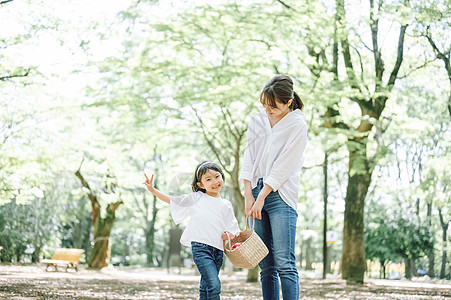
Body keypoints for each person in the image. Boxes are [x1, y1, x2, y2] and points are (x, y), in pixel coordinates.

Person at [239, 75, 307, 299]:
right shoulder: (257, 120)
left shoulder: (297, 124)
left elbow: (284, 166)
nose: (267, 109)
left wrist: (262, 196)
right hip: (256, 191)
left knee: (284, 263)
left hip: (281, 195)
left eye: (273, 105)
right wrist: (249, 194)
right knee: (265, 265)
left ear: (288, 102)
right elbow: (249, 157)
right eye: (265, 104)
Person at [143, 161, 240, 300]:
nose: (214, 181)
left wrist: (228, 235)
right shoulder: (196, 198)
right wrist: (153, 190)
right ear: (200, 185)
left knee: (206, 286)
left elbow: (232, 227)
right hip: (200, 248)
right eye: (208, 179)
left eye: (217, 176)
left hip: (218, 250)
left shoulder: (226, 204)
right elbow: (173, 201)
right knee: (214, 285)